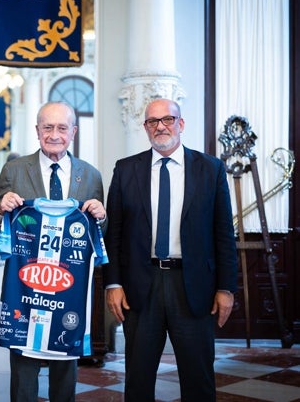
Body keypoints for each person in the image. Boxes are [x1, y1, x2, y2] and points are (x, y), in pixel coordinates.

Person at [103, 98, 237, 401]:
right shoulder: (125, 170)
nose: (161, 126)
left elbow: (223, 234)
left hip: (193, 287)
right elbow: (115, 234)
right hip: (140, 285)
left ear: (181, 124)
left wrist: (227, 288)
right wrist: (113, 282)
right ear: (145, 127)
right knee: (138, 378)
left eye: (168, 119)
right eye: (153, 121)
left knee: (199, 377)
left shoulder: (210, 169)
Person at [0, 101, 107, 402]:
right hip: (24, 290)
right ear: (37, 130)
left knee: (65, 375)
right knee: (23, 375)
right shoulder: (14, 169)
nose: (54, 134)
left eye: (62, 128)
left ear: (73, 132)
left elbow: (99, 233)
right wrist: (1, 208)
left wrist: (102, 217)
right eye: (47, 127)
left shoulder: (90, 176)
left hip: (69, 293)